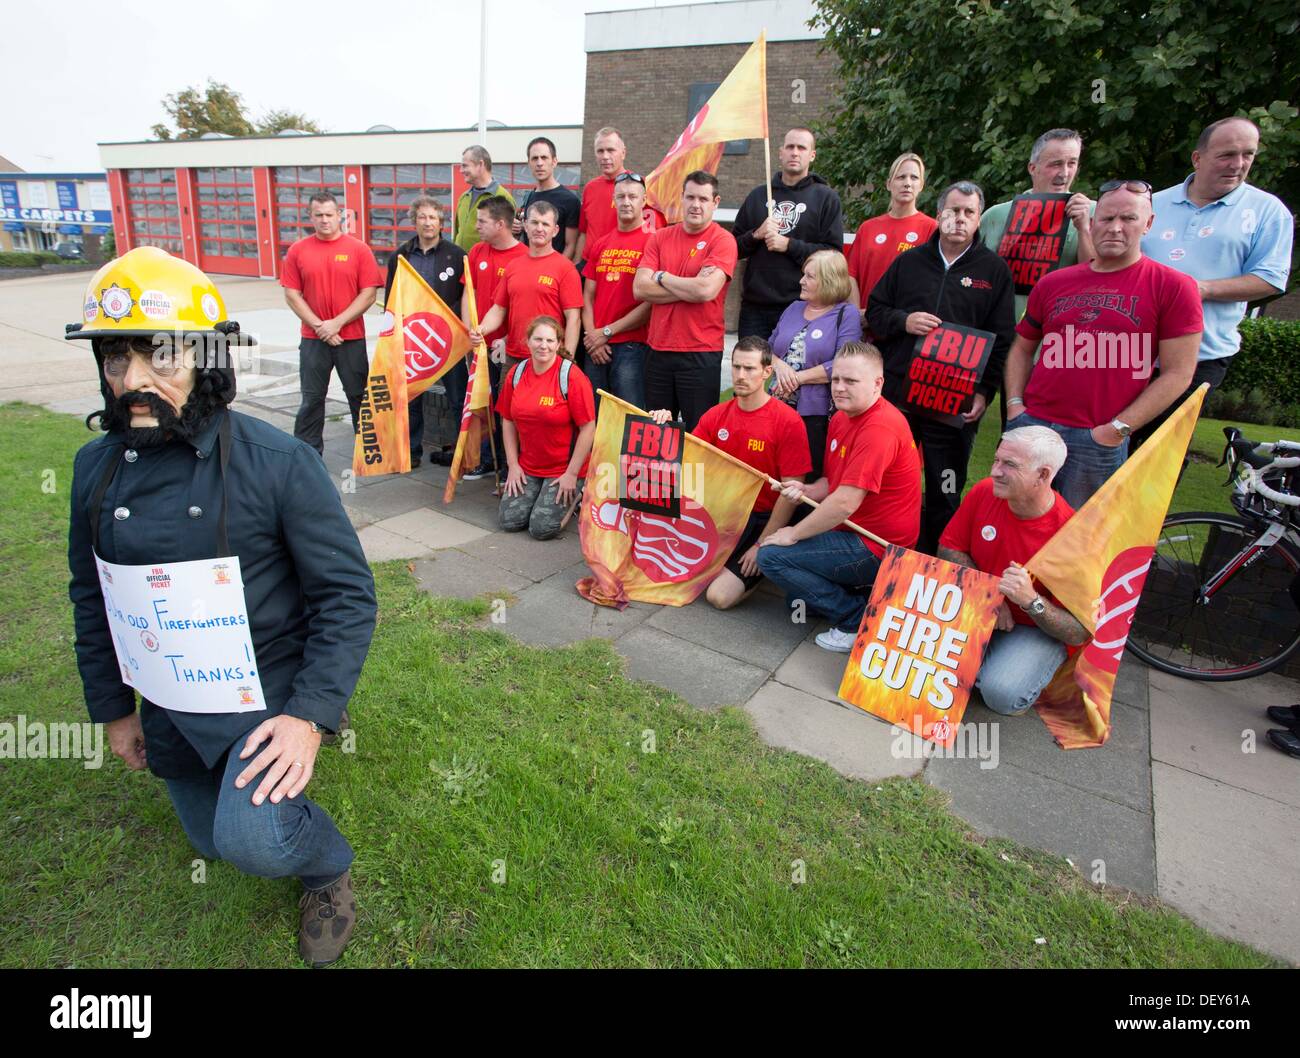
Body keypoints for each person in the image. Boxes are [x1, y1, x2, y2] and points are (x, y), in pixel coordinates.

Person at [66, 248, 377, 967]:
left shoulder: (280, 463)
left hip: (268, 690)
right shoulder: (94, 468)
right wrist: (113, 709)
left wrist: (310, 715)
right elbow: (92, 596)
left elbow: (347, 596)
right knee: (208, 839)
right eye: (116, 359)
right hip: (170, 699)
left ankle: (327, 868)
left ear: (206, 359)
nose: (133, 382)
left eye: (161, 356)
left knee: (252, 840)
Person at [1004, 181, 1202, 508]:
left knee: (1078, 537)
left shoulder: (1174, 287)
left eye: (1128, 218)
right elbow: (1022, 348)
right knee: (1011, 522)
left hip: (1096, 439)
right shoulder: (1054, 282)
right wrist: (1015, 406)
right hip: (1033, 426)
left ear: (1149, 223)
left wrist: (1117, 429)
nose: (1115, 228)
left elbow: (1179, 373)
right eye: (1107, 218)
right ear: (1093, 222)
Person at [867, 181, 1015, 552]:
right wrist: (904, 321)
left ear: (979, 218)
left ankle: (932, 566)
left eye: (968, 212)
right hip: (900, 398)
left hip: (954, 404)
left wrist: (984, 391)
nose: (960, 218)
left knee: (944, 489)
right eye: (953, 210)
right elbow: (875, 312)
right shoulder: (909, 262)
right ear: (939, 214)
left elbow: (1002, 338)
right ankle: (871, 559)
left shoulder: (994, 271)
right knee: (884, 483)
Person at [1135, 117, 1295, 446]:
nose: (1238, 164)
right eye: (1226, 155)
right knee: (1109, 444)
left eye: (1247, 154)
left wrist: (1200, 289)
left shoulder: (1267, 211)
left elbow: (1270, 279)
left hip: (1201, 356)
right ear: (1198, 158)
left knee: (1158, 454)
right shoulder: (1151, 203)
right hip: (1131, 350)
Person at [757, 341, 922, 653]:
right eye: (836, 380)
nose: (840, 388)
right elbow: (832, 483)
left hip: (878, 546)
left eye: (851, 381)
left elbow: (845, 502)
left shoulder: (879, 428)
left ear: (878, 383)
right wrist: (806, 491)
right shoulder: (842, 417)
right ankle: (865, 598)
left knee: (771, 557)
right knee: (798, 598)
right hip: (852, 532)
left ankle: (853, 618)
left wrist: (792, 533)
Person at [649, 337, 813, 609]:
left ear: (767, 372)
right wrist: (664, 427)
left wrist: (762, 544)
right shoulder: (716, 415)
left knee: (719, 597)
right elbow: (687, 463)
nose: (740, 375)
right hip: (721, 513)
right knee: (658, 566)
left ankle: (767, 563)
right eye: (736, 367)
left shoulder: (788, 421)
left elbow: (790, 493)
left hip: (762, 519)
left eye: (749, 369)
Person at [938, 427, 1086, 715]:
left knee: (1002, 695)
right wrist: (991, 596)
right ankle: (985, 661)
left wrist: (1031, 602)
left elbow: (1078, 632)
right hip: (979, 606)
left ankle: (1028, 666)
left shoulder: (1072, 535)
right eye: (996, 460)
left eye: (1009, 465)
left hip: (1034, 628)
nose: (994, 471)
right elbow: (948, 548)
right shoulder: (984, 492)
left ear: (1043, 475)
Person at [633, 171, 738, 431]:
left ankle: (693, 475)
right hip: (658, 349)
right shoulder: (660, 237)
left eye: (703, 199)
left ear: (715, 202)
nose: (695, 204)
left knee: (698, 434)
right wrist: (690, 285)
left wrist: (661, 276)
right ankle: (660, 475)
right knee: (656, 434)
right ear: (681, 198)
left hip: (700, 351)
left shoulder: (723, 240)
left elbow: (705, 292)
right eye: (690, 197)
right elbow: (640, 289)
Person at [282, 191, 384, 455]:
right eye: (319, 215)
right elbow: (292, 295)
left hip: (350, 339)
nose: (325, 220)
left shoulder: (358, 250)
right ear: (310, 217)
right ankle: (307, 453)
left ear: (340, 216)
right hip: (314, 340)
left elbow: (369, 294)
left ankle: (369, 452)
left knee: (359, 397)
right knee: (312, 400)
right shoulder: (298, 251)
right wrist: (321, 327)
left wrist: (336, 324)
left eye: (329, 214)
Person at [732, 128, 845, 338]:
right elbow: (732, 248)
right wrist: (756, 235)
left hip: (803, 307)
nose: (795, 152)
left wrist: (789, 245)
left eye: (801, 148)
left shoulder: (826, 198)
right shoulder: (758, 196)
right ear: (780, 152)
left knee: (792, 371)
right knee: (752, 370)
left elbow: (834, 254)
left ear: (812, 155)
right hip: (755, 308)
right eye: (790, 147)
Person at [979, 129, 1096, 322]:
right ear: (1032, 168)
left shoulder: (1095, 213)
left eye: (1072, 163)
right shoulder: (995, 216)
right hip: (1003, 335)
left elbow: (1097, 278)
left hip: (1062, 334)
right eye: (1055, 164)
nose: (1064, 173)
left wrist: (1083, 229)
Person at [497, 315, 596, 540]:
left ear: (559, 344)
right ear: (528, 341)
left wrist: (572, 474)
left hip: (563, 469)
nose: (544, 346)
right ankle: (539, 495)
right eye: (538, 339)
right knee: (509, 522)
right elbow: (508, 421)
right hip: (529, 466)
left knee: (541, 529)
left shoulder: (571, 377)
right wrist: (513, 465)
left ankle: (580, 493)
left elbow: (589, 428)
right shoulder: (517, 373)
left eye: (550, 341)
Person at [383, 196, 465, 466]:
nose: (428, 222)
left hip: (448, 338)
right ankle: (411, 452)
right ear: (414, 221)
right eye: (422, 217)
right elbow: (390, 299)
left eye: (433, 217)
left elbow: (465, 296)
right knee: (410, 397)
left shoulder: (457, 255)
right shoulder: (400, 256)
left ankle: (459, 452)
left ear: (441, 222)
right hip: (412, 336)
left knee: (457, 397)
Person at [767, 249, 862, 478]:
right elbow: (767, 347)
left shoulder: (846, 315)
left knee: (804, 472)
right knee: (772, 467)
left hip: (814, 413)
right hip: (776, 404)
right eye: (803, 275)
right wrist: (778, 365)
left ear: (828, 281)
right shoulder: (793, 308)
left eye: (809, 276)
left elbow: (843, 363)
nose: (801, 281)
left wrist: (797, 378)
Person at [461, 196, 529, 478]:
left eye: (482, 221)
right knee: (482, 403)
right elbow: (469, 293)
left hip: (508, 349)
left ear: (501, 224)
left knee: (507, 408)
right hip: (478, 345)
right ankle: (487, 460)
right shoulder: (477, 251)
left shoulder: (524, 256)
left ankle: (510, 464)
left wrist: (507, 337)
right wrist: (469, 332)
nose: (476, 226)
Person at [471, 200, 583, 365]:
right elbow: (498, 309)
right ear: (525, 225)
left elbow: (574, 318)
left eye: (545, 224)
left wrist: (568, 360)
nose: (539, 228)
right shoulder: (514, 265)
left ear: (555, 230)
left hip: (549, 357)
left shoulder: (565, 268)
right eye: (534, 222)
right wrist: (482, 329)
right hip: (513, 356)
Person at [582, 172, 653, 409]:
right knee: (594, 419)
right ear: (614, 200)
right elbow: (587, 297)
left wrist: (607, 332)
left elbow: (650, 304)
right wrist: (594, 337)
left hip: (631, 347)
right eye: (620, 196)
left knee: (630, 421)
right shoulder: (601, 243)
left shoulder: (653, 242)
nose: (626, 202)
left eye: (633, 196)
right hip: (596, 348)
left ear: (644, 200)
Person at [847, 152, 938, 310]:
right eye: (901, 177)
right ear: (889, 184)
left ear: (921, 185)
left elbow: (932, 283)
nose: (907, 183)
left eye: (914, 178)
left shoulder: (931, 228)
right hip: (864, 325)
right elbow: (850, 275)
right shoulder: (868, 228)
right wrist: (856, 315)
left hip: (903, 326)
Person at [512, 135, 580, 259]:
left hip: (554, 274)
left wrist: (556, 272)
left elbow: (571, 245)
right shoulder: (529, 197)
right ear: (529, 163)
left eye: (544, 158)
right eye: (534, 158)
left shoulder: (569, 200)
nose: (539, 163)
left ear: (554, 162)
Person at [454, 145, 515, 253]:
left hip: (485, 266)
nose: (461, 170)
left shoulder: (503, 197)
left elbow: (509, 240)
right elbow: (456, 233)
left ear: (480, 164)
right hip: (461, 265)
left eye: (465, 166)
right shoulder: (464, 198)